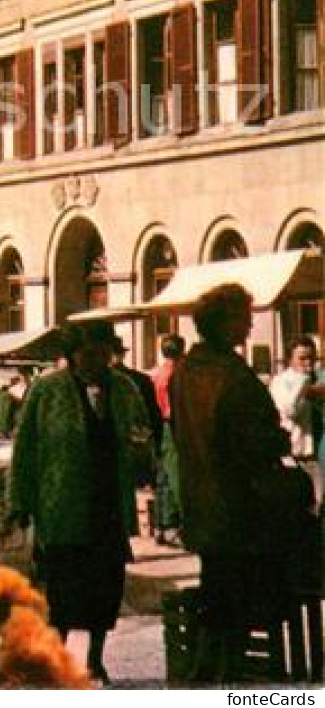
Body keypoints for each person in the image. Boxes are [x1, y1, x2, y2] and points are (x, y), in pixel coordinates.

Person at [171, 284, 309, 683]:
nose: (250, 326)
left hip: (202, 502)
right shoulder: (229, 374)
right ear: (225, 321)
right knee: (235, 603)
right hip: (240, 508)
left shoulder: (187, 371)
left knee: (218, 592)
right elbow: (255, 442)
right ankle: (222, 680)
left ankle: (212, 675)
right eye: (244, 318)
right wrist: (278, 440)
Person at [7, 321, 148, 683]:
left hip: (109, 507)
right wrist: (19, 502)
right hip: (62, 507)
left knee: (106, 589)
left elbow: (142, 435)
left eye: (103, 353)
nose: (96, 361)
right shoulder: (46, 391)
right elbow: (24, 450)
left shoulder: (125, 389)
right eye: (88, 354)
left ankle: (95, 660)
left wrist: (141, 456)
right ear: (72, 356)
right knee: (65, 590)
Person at [271, 337, 325, 502]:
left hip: (315, 457)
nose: (308, 363)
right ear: (290, 359)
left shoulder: (318, 379)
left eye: (311, 358)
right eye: (302, 358)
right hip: (294, 457)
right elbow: (289, 410)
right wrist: (304, 383)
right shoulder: (282, 381)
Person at [150, 334, 186, 545]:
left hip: (161, 424)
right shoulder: (178, 375)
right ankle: (174, 524)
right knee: (176, 474)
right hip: (174, 424)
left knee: (163, 476)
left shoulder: (157, 373)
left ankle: (161, 524)